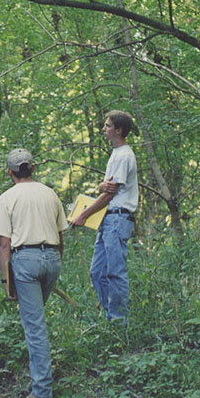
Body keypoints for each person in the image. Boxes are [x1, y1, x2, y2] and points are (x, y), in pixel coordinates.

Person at [0, 148, 68, 398]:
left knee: (35, 328)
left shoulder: (7, 198)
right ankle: (39, 381)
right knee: (36, 323)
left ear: (10, 172)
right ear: (32, 169)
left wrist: (6, 282)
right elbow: (61, 235)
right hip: (51, 258)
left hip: (26, 261)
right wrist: (54, 262)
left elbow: (4, 244)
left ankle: (43, 393)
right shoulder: (50, 193)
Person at [69, 110, 138, 324]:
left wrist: (83, 215)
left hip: (117, 219)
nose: (103, 129)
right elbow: (106, 188)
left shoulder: (124, 155)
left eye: (107, 126)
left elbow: (109, 195)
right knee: (97, 272)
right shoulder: (115, 155)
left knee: (115, 272)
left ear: (119, 130)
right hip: (107, 220)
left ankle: (119, 321)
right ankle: (109, 316)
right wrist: (100, 186)